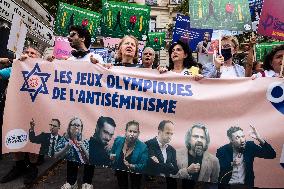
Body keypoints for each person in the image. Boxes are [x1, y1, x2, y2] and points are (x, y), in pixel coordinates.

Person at [0, 46, 41, 185]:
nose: (29, 55)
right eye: (26, 52)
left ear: (38, 56)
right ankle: (19, 166)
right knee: (16, 138)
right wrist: (9, 61)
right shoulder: (14, 68)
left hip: (36, 112)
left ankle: (33, 168)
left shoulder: (45, 69)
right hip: (16, 111)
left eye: (32, 53)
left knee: (32, 141)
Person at [175, 123, 219, 188]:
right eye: (195, 136)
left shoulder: (213, 160)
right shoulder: (176, 154)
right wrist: (187, 171)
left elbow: (214, 185)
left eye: (202, 137)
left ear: (206, 141)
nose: (199, 140)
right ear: (189, 139)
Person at [80, 116, 117, 189]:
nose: (108, 138)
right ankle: (86, 183)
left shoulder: (109, 147)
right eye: (105, 132)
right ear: (97, 128)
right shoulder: (87, 143)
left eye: (111, 135)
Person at [111, 120, 148, 189]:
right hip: (120, 169)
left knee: (135, 186)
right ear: (125, 132)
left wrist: (131, 166)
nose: (132, 134)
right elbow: (112, 152)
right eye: (130, 131)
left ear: (138, 133)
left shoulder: (143, 147)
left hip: (135, 171)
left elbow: (143, 165)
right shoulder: (118, 140)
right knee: (122, 186)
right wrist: (111, 156)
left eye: (135, 132)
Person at [55, 117, 88, 189]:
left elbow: (90, 158)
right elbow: (55, 155)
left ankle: (86, 183)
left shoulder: (84, 139)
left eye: (78, 125)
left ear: (81, 128)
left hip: (85, 162)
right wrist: (66, 148)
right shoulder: (64, 138)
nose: (76, 127)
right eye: (74, 125)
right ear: (69, 126)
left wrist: (83, 147)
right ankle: (71, 183)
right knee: (71, 159)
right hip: (72, 163)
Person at [145, 120, 178, 189]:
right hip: (153, 184)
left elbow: (175, 170)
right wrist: (169, 166)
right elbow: (150, 167)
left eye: (171, 134)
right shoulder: (147, 145)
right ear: (159, 132)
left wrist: (158, 164)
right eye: (167, 133)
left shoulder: (172, 150)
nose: (170, 136)